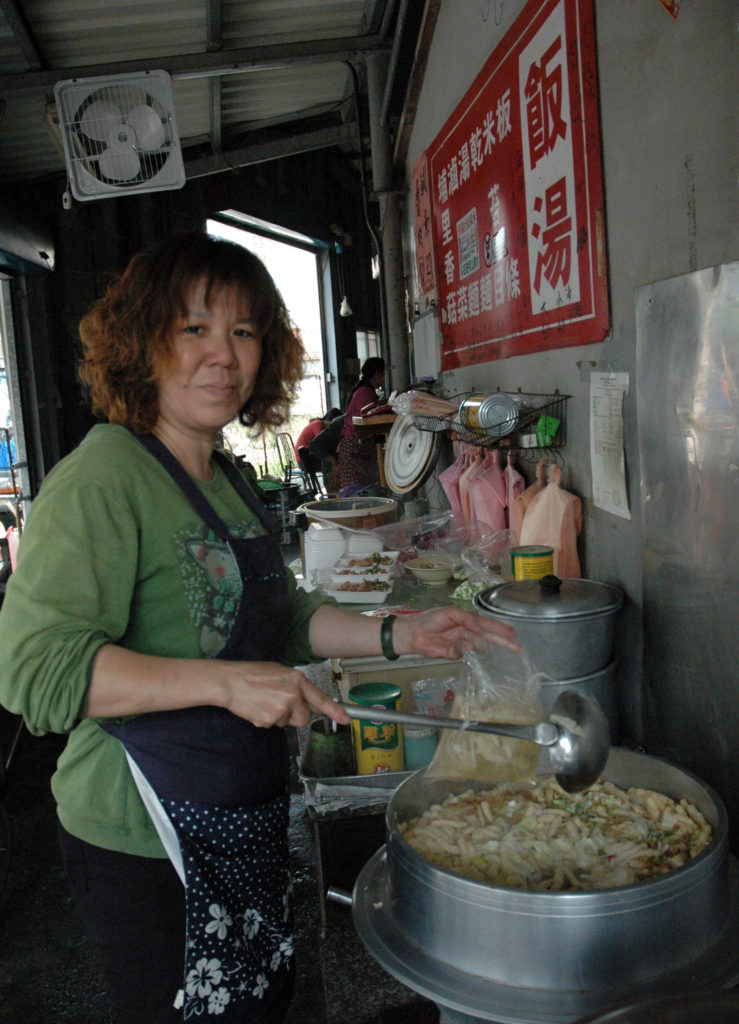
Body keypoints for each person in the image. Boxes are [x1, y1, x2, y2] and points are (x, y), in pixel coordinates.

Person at [0, 232, 518, 1024]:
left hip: (235, 814)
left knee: (257, 1006)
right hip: (142, 836)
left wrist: (399, 635)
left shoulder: (224, 472)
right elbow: (36, 674)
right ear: (142, 341)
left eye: (243, 332)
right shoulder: (104, 477)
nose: (223, 356)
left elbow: (277, 620)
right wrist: (224, 685)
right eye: (194, 329)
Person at [336, 356, 386, 493]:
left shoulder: (365, 391)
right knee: (357, 494)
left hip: (357, 449)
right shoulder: (364, 393)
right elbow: (370, 420)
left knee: (363, 492)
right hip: (354, 449)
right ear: (377, 375)